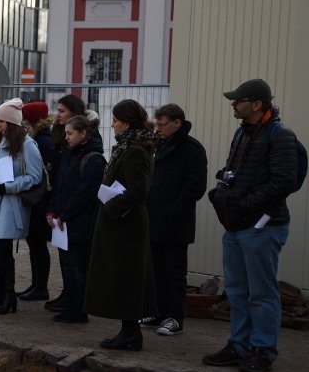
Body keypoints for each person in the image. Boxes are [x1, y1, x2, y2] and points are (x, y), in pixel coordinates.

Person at [204, 79, 298, 372]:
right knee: (237, 291)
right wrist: (220, 196)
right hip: (235, 227)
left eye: (239, 100)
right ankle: (239, 346)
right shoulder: (243, 132)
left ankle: (263, 350)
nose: (233, 104)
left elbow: (284, 182)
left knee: (261, 293)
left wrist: (245, 205)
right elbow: (234, 171)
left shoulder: (280, 136)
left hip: (261, 227)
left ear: (257, 105)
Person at [83, 99, 158, 352]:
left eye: (115, 120)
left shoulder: (135, 150)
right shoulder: (127, 146)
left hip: (126, 223)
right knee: (122, 276)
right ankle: (128, 331)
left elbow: (139, 191)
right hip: (120, 221)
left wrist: (112, 209)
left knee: (127, 276)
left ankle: (131, 333)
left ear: (126, 123)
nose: (112, 125)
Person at [142, 104, 208, 336]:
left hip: (175, 222)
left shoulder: (192, 149)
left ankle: (174, 317)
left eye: (162, 124)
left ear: (177, 123)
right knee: (156, 271)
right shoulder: (160, 145)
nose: (157, 129)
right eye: (157, 124)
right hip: (155, 218)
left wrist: (173, 209)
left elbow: (196, 186)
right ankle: (159, 312)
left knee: (174, 273)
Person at [0, 98, 44, 314]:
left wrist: (7, 187)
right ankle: (0, 295)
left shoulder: (27, 145)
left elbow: (35, 177)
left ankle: (4, 295)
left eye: (2, 122)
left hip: (12, 205)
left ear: (12, 123)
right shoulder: (3, 143)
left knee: (0, 251)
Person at [46, 115, 106, 323]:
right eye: (66, 133)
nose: (67, 137)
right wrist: (51, 211)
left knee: (77, 266)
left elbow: (84, 193)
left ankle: (79, 309)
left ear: (83, 133)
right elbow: (59, 186)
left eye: (70, 133)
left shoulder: (94, 159)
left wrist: (64, 214)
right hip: (63, 221)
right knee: (66, 264)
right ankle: (70, 304)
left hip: (79, 222)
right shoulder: (69, 155)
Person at [18, 100, 55, 302]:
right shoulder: (40, 139)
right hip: (39, 201)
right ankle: (36, 284)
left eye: (25, 119)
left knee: (38, 244)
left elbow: (44, 174)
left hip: (41, 201)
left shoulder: (43, 141)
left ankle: (41, 286)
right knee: (34, 244)